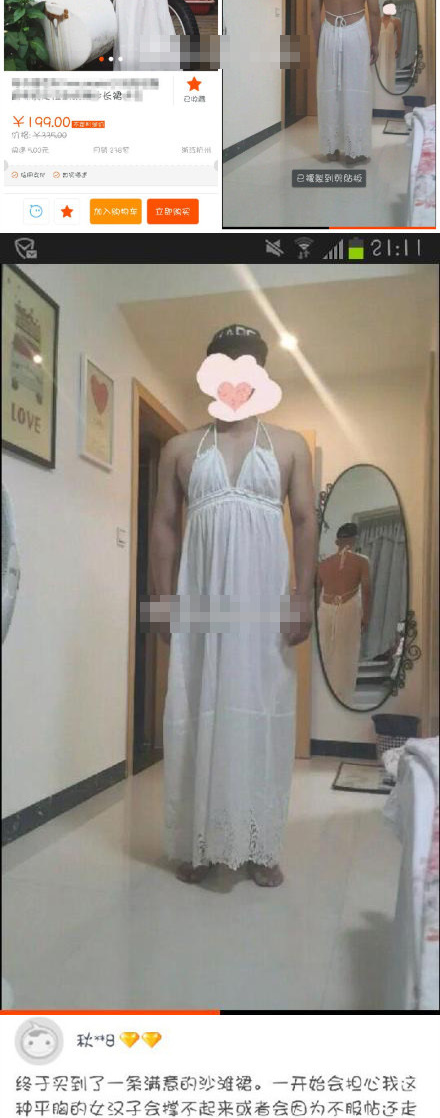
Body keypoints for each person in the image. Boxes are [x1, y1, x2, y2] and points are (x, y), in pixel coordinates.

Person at [149, 325, 317, 889]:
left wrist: (303, 597)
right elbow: (163, 526)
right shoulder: (179, 448)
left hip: (264, 605)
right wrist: (161, 602)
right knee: (197, 706)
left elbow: (305, 521)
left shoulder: (289, 446)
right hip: (202, 601)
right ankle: (200, 842)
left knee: (262, 710)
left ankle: (258, 844)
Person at [311, 0, 381, 161]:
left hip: (329, 32)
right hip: (355, 33)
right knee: (356, 88)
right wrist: (375, 43)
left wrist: (318, 44)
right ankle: (353, 150)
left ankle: (331, 149)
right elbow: (374, 13)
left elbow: (314, 14)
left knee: (329, 89)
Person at [317, 522, 370, 703]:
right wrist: (366, 618)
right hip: (348, 609)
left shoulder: (323, 564)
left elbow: (316, 594)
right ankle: (342, 698)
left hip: (325, 610)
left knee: (326, 653)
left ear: (336, 541)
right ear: (355, 539)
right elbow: (367, 591)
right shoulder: (362, 561)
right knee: (346, 655)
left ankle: (326, 696)